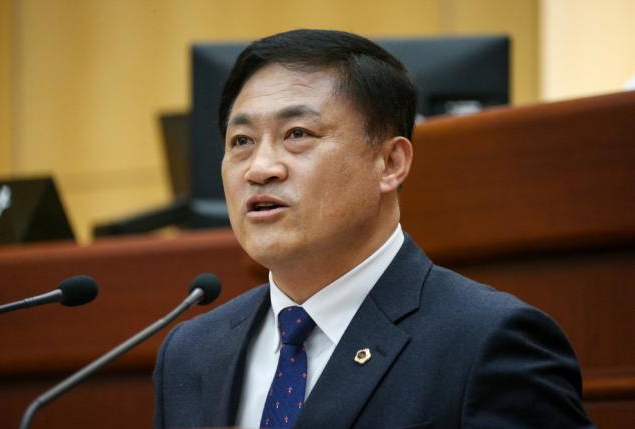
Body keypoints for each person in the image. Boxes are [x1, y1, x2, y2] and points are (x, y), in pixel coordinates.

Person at [153, 29, 594, 428]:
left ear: (390, 163)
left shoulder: (487, 342)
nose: (260, 168)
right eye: (241, 142)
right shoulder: (190, 352)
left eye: (298, 134)